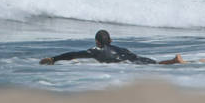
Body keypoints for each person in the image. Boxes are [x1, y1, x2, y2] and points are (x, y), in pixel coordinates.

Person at [40, 30, 188, 65]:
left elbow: (73, 54)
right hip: (135, 58)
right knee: (155, 64)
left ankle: (175, 60)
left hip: (130, 64)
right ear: (110, 40)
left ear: (97, 42)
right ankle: (186, 61)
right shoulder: (119, 48)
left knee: (157, 66)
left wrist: (54, 59)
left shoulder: (95, 50)